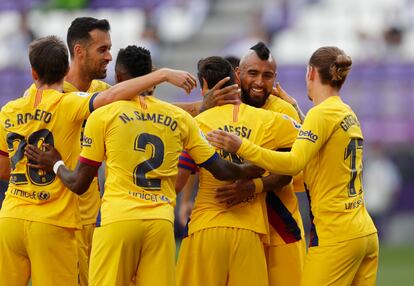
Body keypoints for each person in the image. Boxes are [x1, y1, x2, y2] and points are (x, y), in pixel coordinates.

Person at [25, 46, 264, 286]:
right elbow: (221, 170)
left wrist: (55, 163)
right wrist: (251, 168)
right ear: (150, 75)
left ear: (118, 78)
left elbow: (78, 183)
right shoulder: (178, 117)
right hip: (160, 223)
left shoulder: (104, 115)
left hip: (118, 221)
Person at [0, 35, 198, 286]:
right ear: (65, 69)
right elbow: (112, 99)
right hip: (51, 222)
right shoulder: (69, 103)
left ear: (33, 72)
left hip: (10, 218)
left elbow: (3, 169)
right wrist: (161, 75)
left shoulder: (8, 110)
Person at [207, 46, 379, 286]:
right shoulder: (345, 111)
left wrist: (242, 147)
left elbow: (293, 162)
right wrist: (299, 111)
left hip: (335, 234)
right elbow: (320, 140)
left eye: (267, 75)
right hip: (364, 232)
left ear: (310, 73)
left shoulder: (321, 114)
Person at [178, 42, 307, 286]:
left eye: (267, 76)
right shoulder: (217, 107)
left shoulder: (281, 111)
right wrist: (186, 201)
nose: (260, 82)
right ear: (238, 74)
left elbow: (289, 169)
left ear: (275, 78)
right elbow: (198, 158)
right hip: (240, 222)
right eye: (253, 74)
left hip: (278, 222)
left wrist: (252, 186)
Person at [64, 17, 113, 285]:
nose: (109, 56)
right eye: (102, 50)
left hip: (95, 217)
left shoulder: (101, 91)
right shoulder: (52, 95)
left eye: (109, 48)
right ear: (79, 51)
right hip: (62, 219)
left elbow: (149, 109)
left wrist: (200, 107)